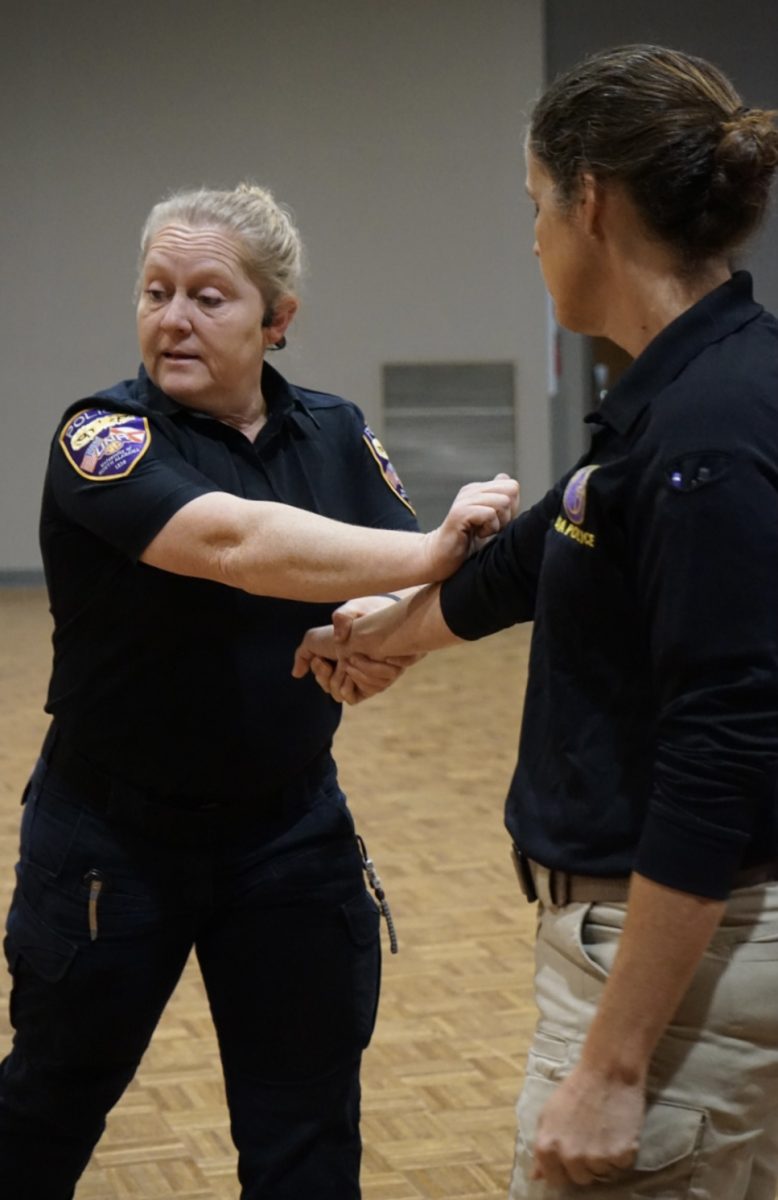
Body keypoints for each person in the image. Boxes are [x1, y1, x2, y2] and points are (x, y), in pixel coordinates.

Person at [294, 45, 778, 1199]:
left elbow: (722, 745)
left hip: (670, 981)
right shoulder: (682, 386)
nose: (530, 239)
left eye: (532, 207)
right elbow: (547, 546)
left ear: (591, 202)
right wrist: (391, 629)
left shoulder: (708, 432)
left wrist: (611, 1065)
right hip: (684, 961)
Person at [0, 182, 519, 1200]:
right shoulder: (105, 439)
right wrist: (426, 551)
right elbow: (239, 545)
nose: (173, 318)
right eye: (156, 292)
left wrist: (384, 642)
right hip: (113, 841)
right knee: (48, 1107)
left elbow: (391, 590)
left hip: (287, 837)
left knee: (306, 1138)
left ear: (277, 322)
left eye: (208, 295)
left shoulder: (330, 429)